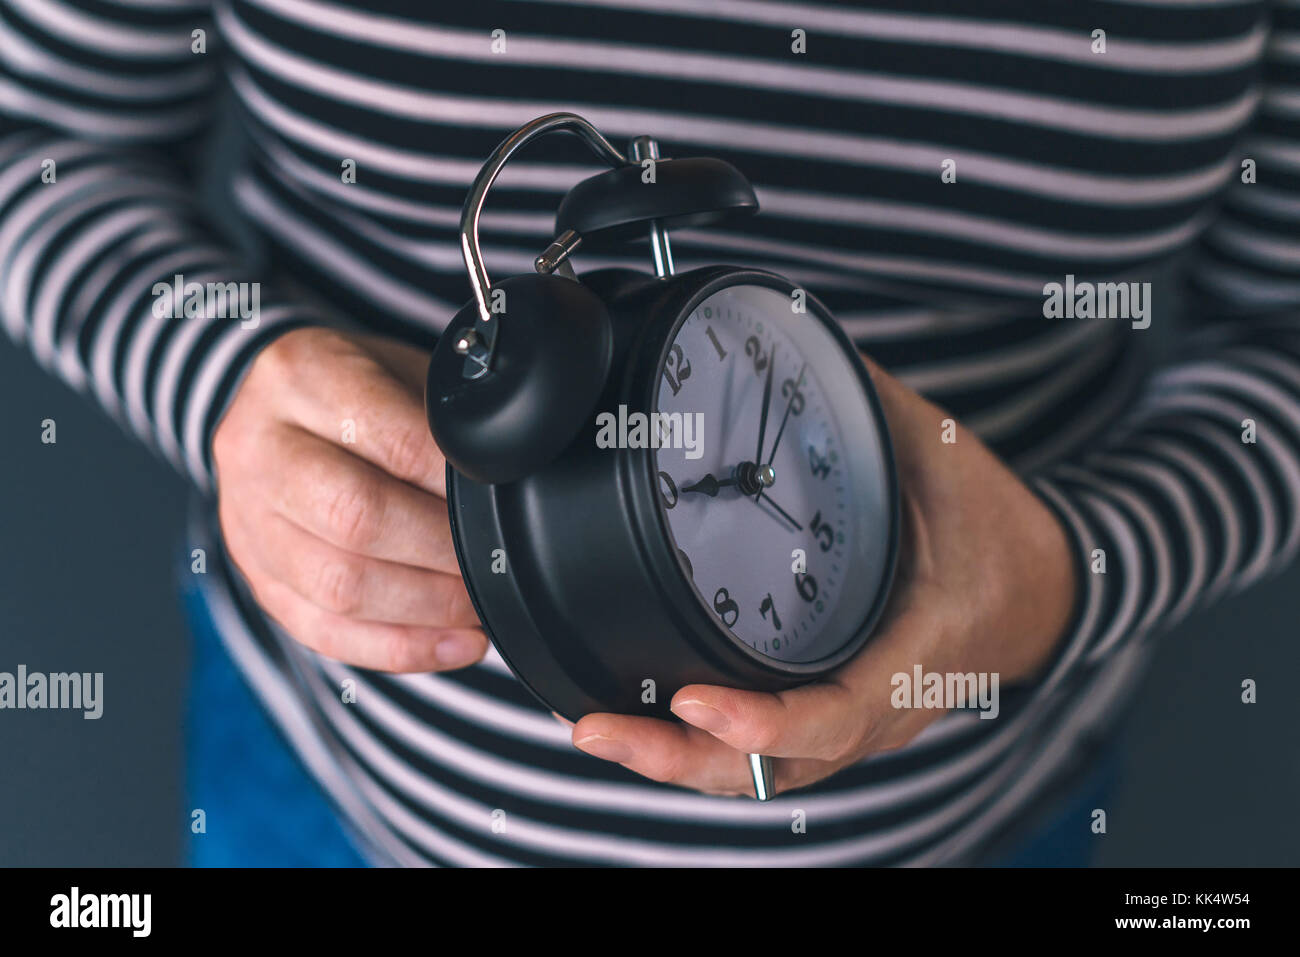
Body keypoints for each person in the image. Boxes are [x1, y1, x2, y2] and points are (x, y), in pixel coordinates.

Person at [2, 0, 1296, 867]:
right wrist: (225, 376)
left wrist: (1077, 571)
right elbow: (37, 137)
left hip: (996, 821)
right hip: (341, 812)